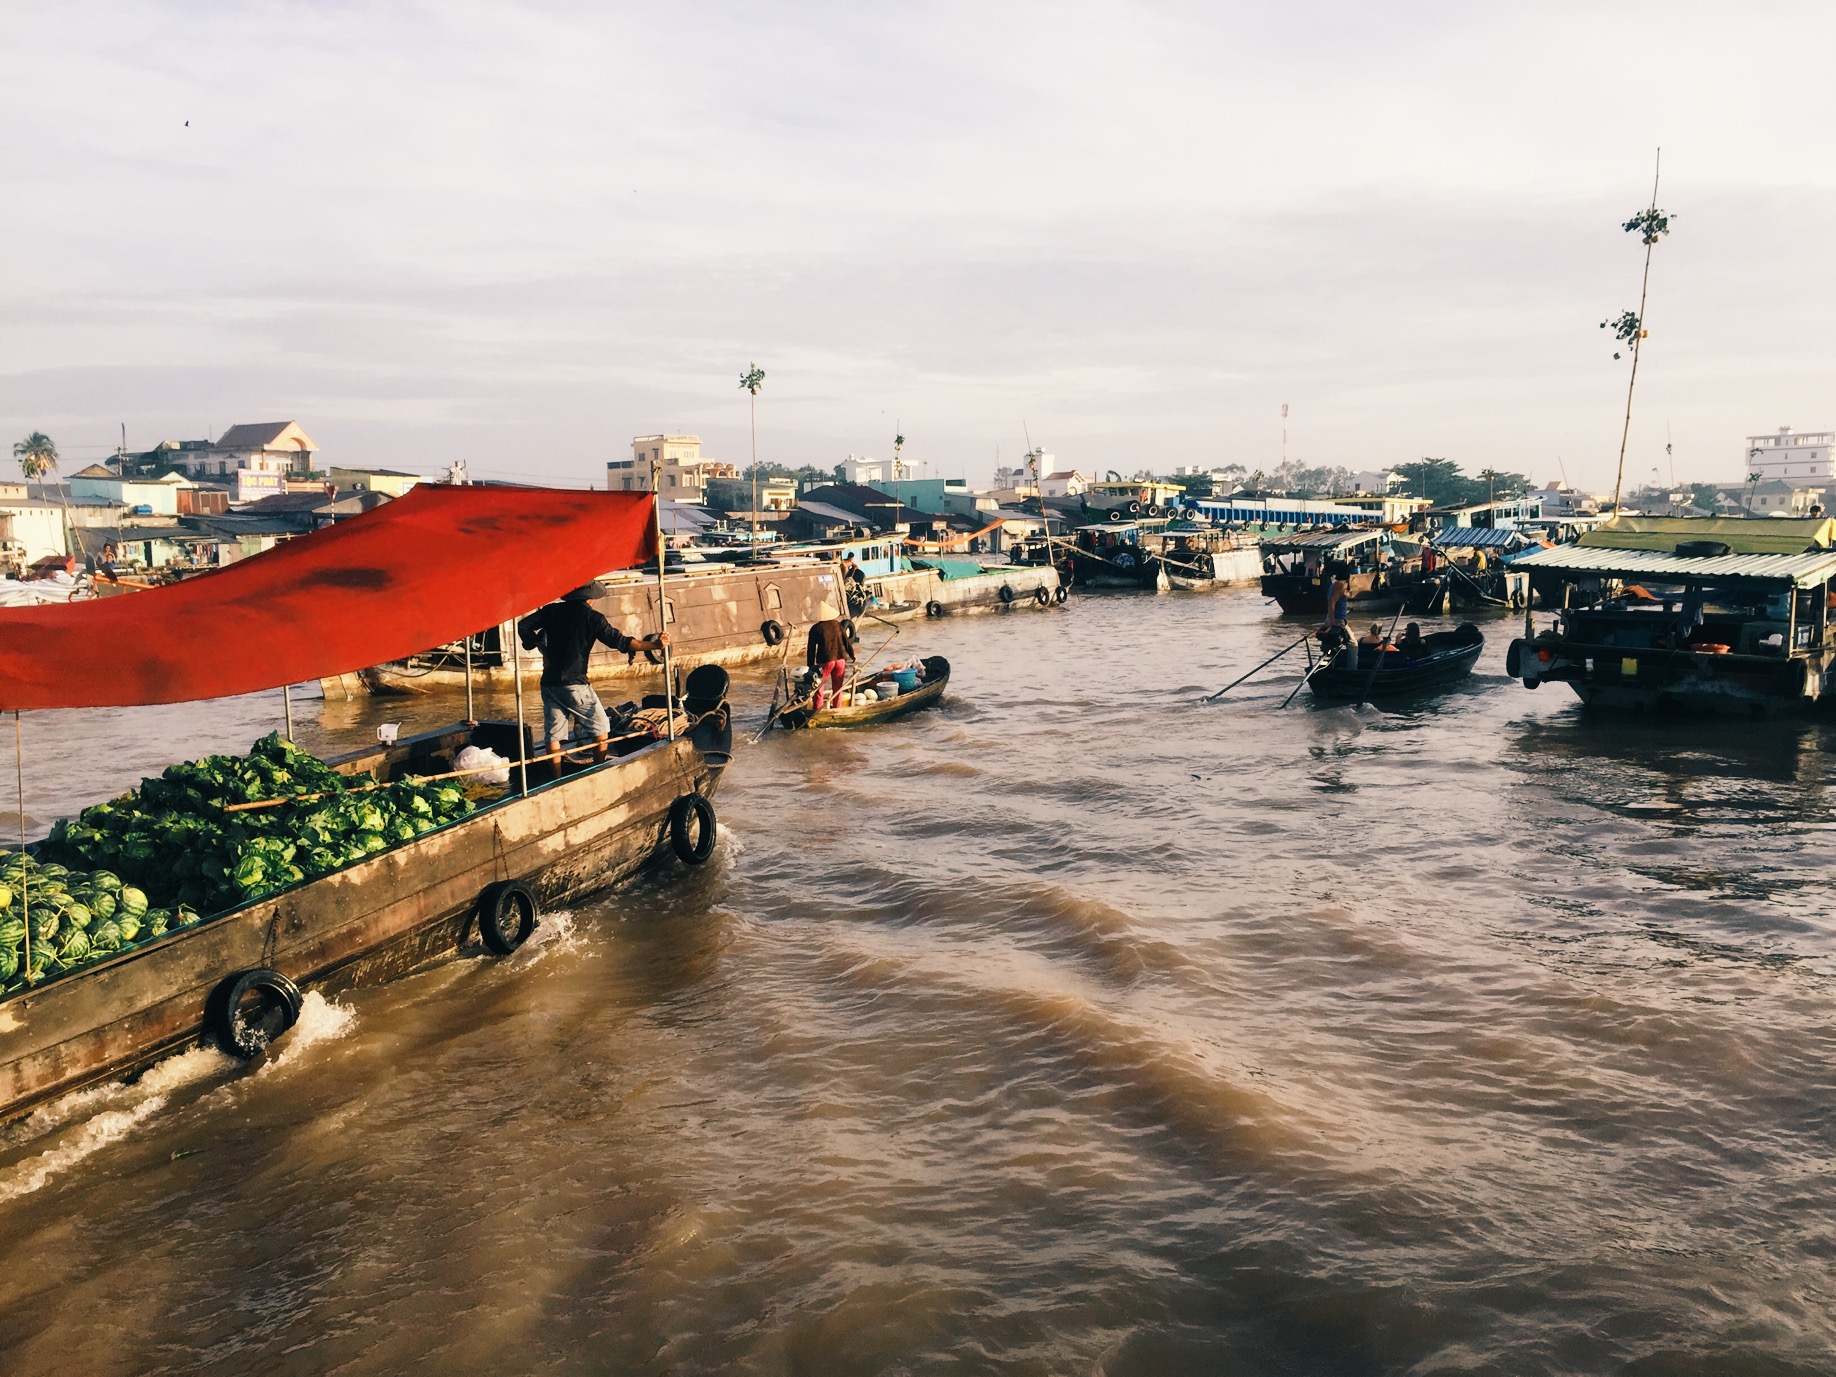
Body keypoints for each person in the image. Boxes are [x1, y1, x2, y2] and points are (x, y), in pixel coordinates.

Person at [518, 582, 668, 768]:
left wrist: (538, 645)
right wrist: (654, 645)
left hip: (549, 683)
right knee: (602, 727)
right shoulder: (592, 617)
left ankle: (556, 776)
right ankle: (599, 769)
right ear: (591, 598)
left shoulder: (551, 611)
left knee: (554, 735)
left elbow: (523, 625)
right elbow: (621, 641)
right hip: (574, 683)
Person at [806, 601, 855, 709]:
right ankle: (837, 708)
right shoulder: (837, 625)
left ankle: (818, 710)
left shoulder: (815, 628)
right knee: (838, 687)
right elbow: (846, 641)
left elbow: (811, 649)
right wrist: (852, 656)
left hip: (826, 661)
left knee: (818, 686)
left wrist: (810, 666)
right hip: (841, 659)